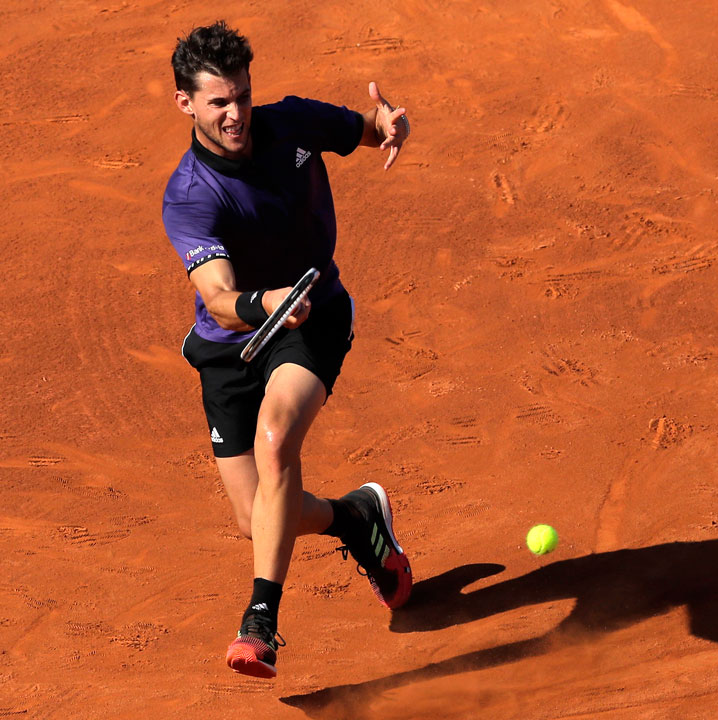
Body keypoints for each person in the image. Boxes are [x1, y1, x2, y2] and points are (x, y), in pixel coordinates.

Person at [162, 20, 413, 679]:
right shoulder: (190, 196)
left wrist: (386, 123)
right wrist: (262, 303)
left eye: (242, 96)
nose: (236, 113)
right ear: (185, 104)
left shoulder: (293, 124)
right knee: (255, 518)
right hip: (233, 342)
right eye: (218, 102)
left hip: (313, 319)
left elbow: (360, 127)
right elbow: (217, 296)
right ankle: (356, 519)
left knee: (277, 444)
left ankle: (261, 621)